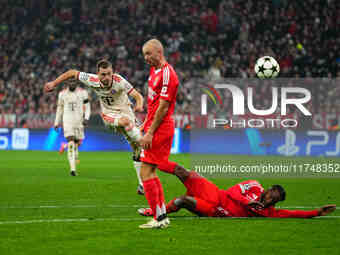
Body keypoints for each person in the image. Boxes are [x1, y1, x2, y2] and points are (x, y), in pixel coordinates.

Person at [44, 59, 145, 193]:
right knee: (130, 128)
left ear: (112, 72)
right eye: (103, 74)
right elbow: (72, 72)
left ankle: (142, 185)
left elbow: (138, 96)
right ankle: (143, 142)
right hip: (109, 115)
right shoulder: (92, 80)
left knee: (137, 150)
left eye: (109, 73)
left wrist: (139, 104)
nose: (106, 77)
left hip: (126, 112)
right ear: (97, 74)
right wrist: (54, 83)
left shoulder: (119, 81)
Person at [138, 166, 337, 218]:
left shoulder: (268, 213)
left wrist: (317, 212)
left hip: (215, 210)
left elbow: (294, 214)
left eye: (273, 200)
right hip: (215, 192)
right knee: (183, 172)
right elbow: (233, 191)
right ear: (268, 190)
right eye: (270, 194)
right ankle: (151, 163)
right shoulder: (254, 185)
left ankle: (154, 212)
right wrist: (247, 202)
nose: (269, 200)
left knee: (183, 201)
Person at [138, 38, 183, 229]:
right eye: (144, 55)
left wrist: (149, 132)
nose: (146, 58)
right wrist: (145, 125)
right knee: (150, 171)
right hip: (155, 126)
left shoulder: (167, 74)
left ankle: (159, 219)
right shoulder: (154, 71)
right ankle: (161, 215)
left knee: (146, 171)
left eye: (148, 54)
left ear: (159, 52)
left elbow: (163, 108)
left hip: (161, 128)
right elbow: (154, 103)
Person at [54, 78, 90, 176]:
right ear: (67, 83)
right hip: (67, 121)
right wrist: (56, 122)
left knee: (77, 143)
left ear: (77, 83)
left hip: (79, 121)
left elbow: (87, 107)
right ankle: (72, 170)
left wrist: (86, 118)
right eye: (70, 82)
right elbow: (59, 108)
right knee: (71, 142)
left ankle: (66, 148)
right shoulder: (62, 94)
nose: (72, 83)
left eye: (74, 81)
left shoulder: (83, 93)